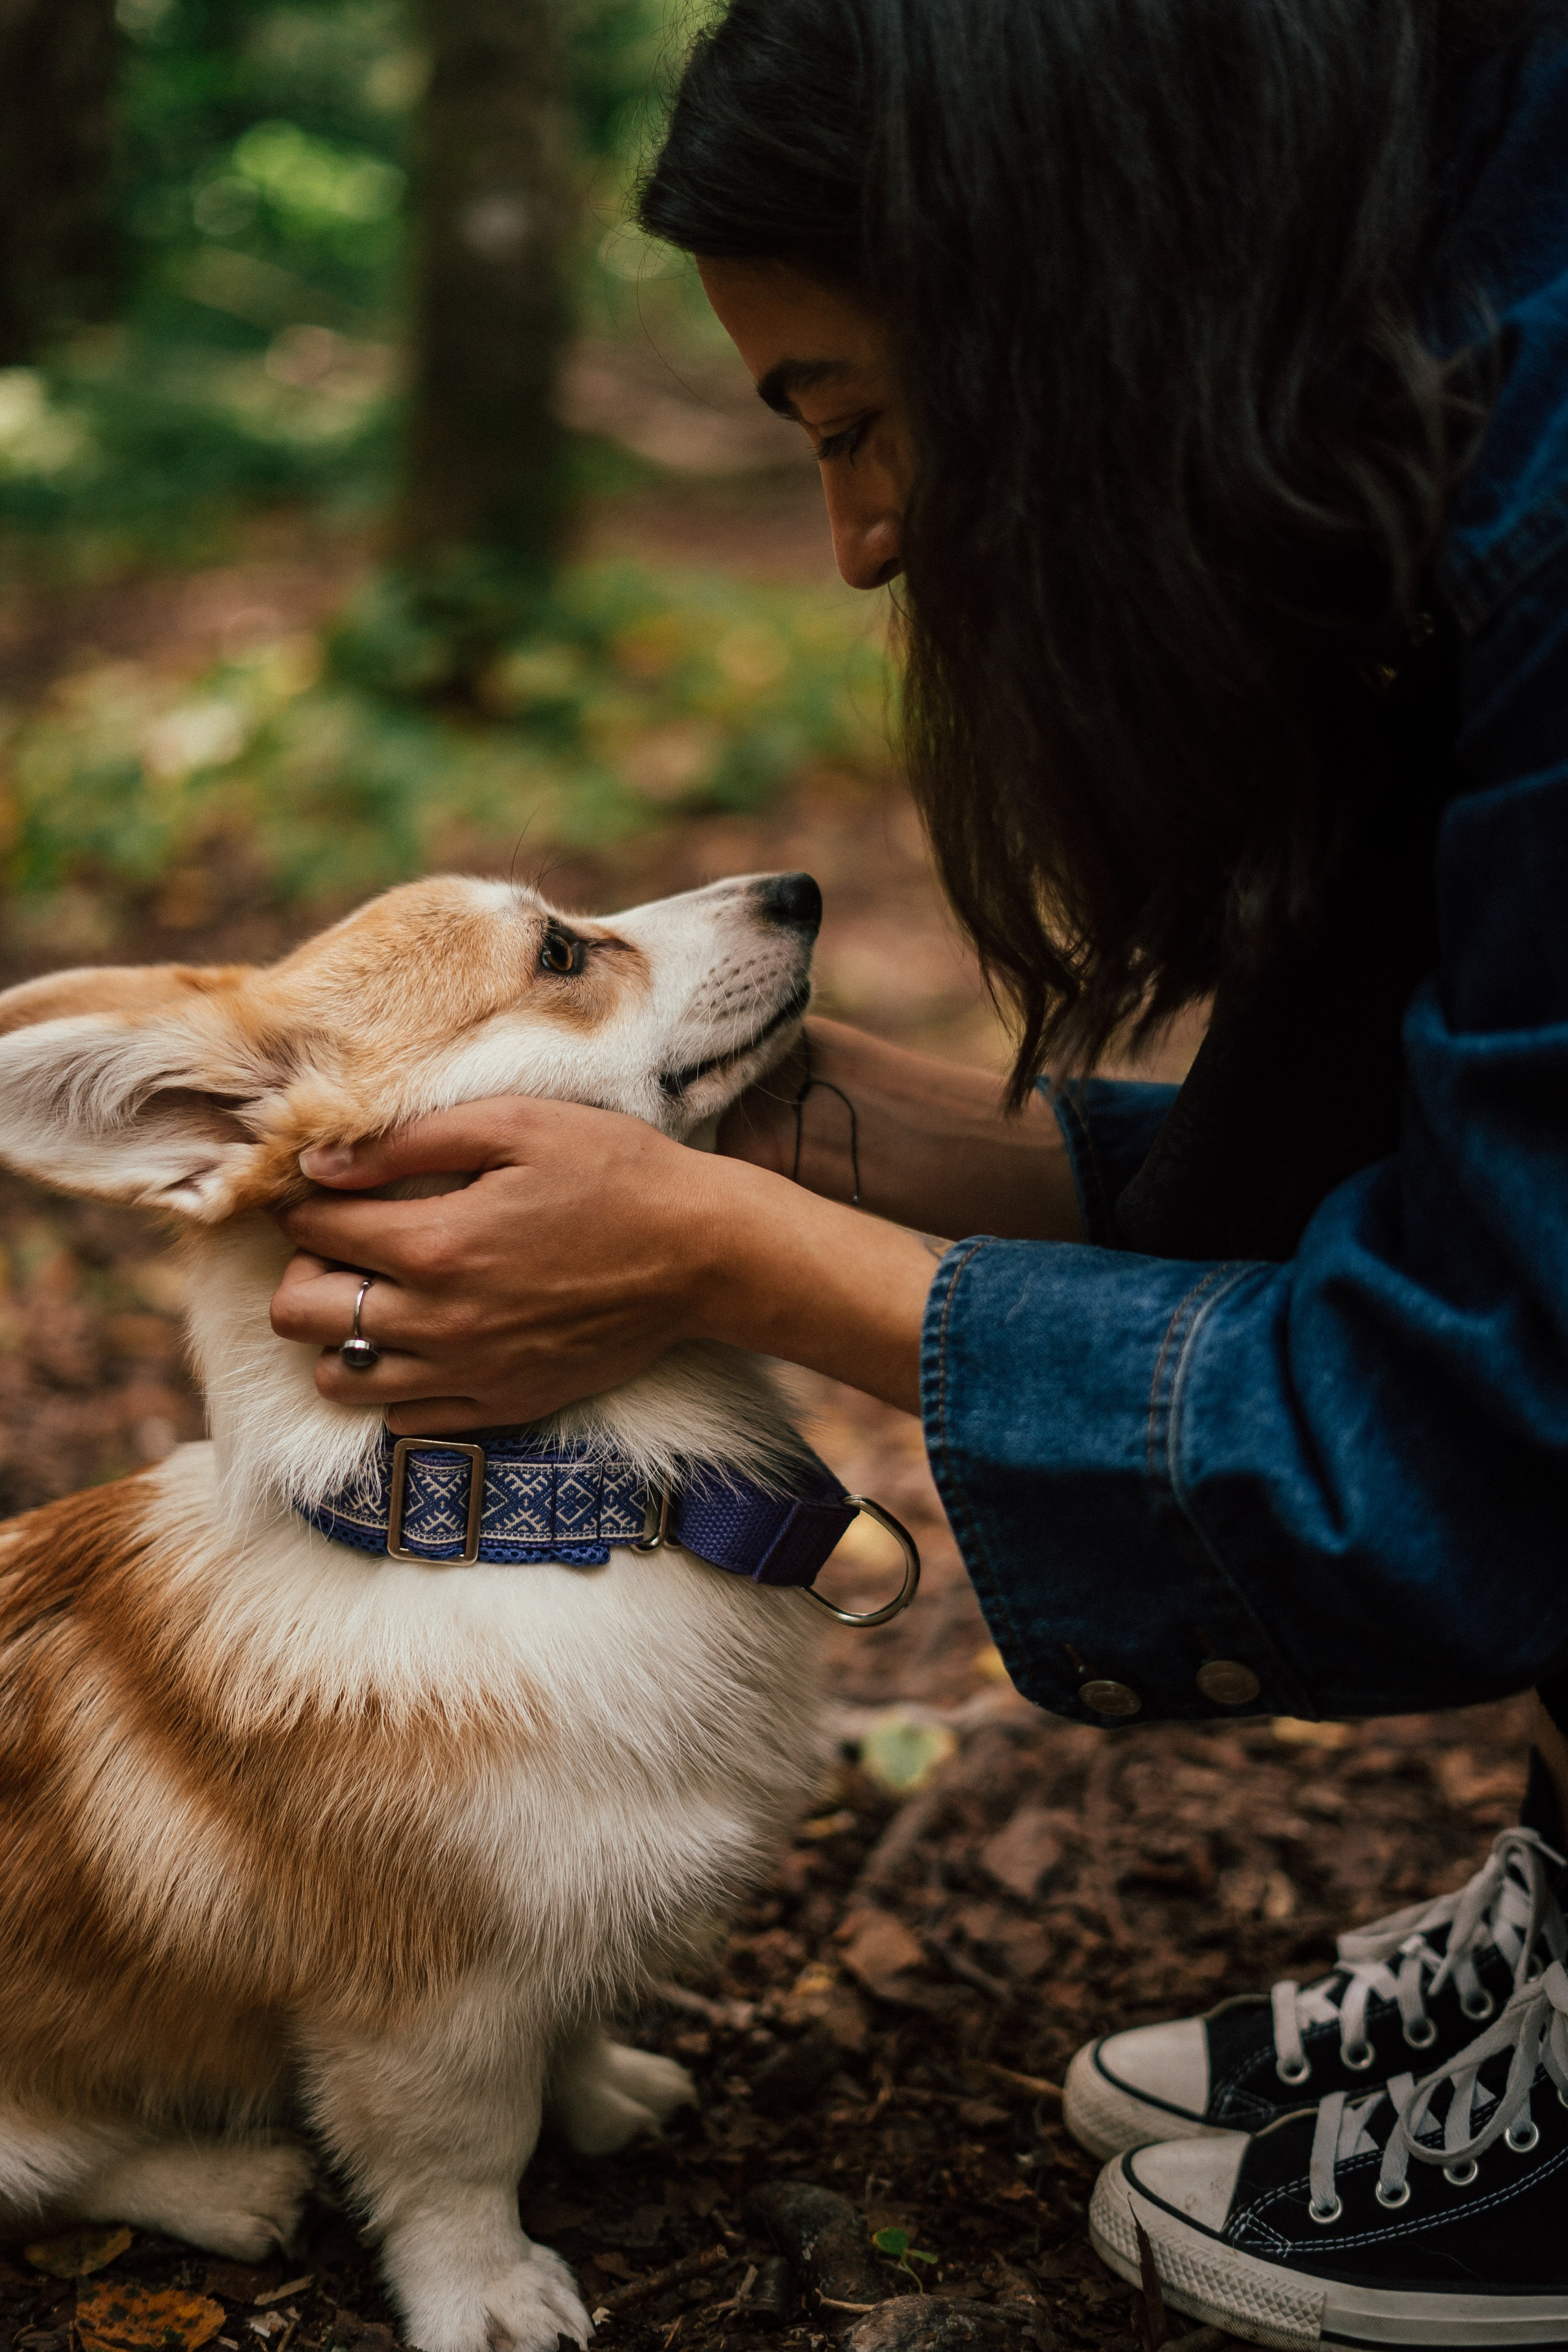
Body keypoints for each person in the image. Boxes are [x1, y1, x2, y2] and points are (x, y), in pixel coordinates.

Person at [270, 0, 1568, 2332]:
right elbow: (1483, 1180)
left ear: (1079, 289)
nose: (865, 547)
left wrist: (739, 1250)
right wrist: (835, 1139)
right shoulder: (1457, 328)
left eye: (857, 426)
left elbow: (1507, 1414)